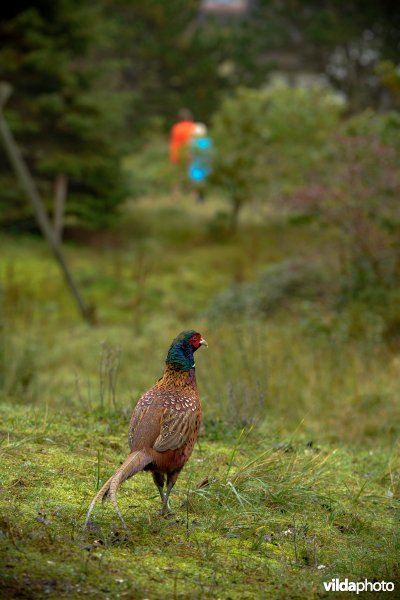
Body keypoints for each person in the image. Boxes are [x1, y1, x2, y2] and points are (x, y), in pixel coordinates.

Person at [188, 123, 213, 202]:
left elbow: (190, 155)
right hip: (206, 165)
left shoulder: (192, 142)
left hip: (196, 165)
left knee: (196, 183)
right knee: (204, 182)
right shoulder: (208, 142)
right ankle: (202, 197)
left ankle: (197, 198)